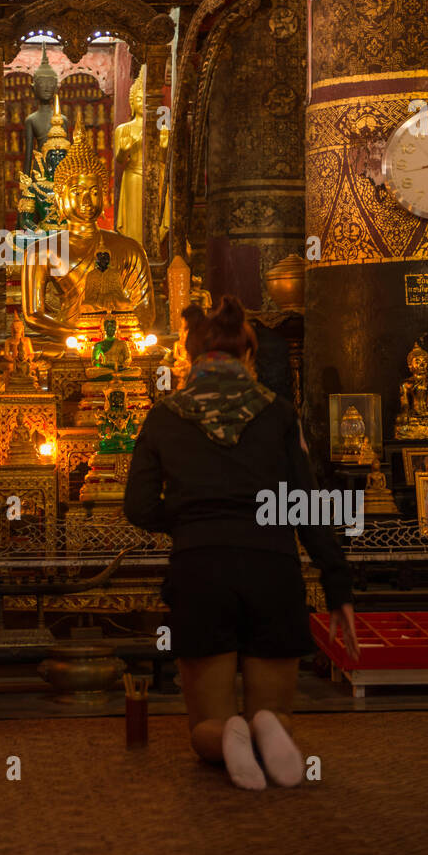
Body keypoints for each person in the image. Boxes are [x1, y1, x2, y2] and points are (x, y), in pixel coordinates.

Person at [124, 295, 358, 790]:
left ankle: (226, 732)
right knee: (275, 710)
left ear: (191, 357)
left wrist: (193, 519)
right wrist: (338, 588)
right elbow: (305, 505)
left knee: (204, 727)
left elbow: (138, 506)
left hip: (200, 569)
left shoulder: (165, 416)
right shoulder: (278, 414)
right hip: (272, 568)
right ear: (248, 356)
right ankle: (267, 725)